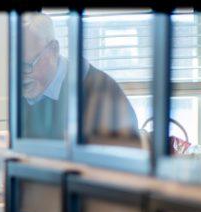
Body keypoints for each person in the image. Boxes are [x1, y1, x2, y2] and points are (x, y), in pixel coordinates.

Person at [21, 13, 140, 146]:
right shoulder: (29, 92)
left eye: (27, 65)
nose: (19, 76)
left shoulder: (102, 93)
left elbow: (122, 159)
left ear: (53, 50)